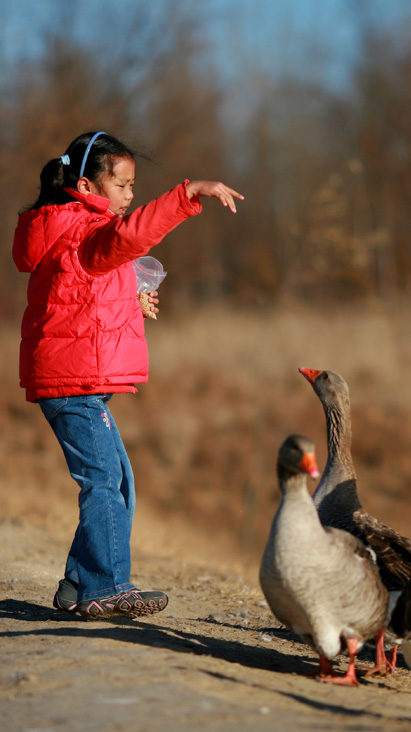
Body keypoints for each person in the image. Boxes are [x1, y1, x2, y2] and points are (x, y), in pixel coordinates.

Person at [12, 131, 244, 620]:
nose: (128, 196)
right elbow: (127, 239)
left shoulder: (68, 225)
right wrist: (186, 195)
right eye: (121, 185)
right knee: (103, 481)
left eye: (133, 186)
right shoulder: (83, 228)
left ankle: (79, 582)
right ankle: (107, 586)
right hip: (74, 382)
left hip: (75, 377)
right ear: (86, 184)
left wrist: (131, 301)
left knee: (116, 484)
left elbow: (79, 294)